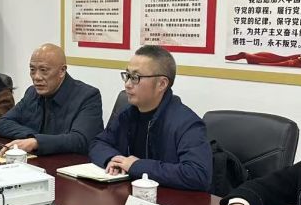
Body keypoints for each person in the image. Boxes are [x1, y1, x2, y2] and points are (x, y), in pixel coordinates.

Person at [89, 46, 211, 191]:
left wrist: (137, 166)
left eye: (135, 78)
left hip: (169, 200)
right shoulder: (127, 113)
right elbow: (98, 143)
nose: (127, 84)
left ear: (162, 84)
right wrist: (113, 159)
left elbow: (197, 174)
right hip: (129, 195)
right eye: (127, 75)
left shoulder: (187, 123)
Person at [0, 43, 103, 156]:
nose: (36, 77)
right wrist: (33, 138)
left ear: (62, 71)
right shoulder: (32, 93)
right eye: (32, 70)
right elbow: (3, 123)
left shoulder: (87, 96)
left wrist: (38, 142)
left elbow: (81, 140)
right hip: (37, 160)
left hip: (69, 162)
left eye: (43, 70)